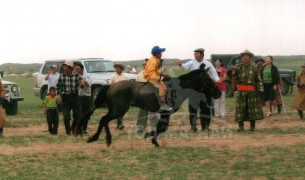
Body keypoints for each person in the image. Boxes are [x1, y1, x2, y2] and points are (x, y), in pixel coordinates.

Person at [177, 48, 220, 133]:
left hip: (205, 90)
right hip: (193, 90)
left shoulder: (208, 63)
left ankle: (206, 127)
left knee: (205, 108)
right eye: (194, 54)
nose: (195, 55)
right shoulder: (192, 62)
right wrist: (181, 65)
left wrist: (217, 79)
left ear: (201, 55)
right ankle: (193, 127)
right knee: (192, 108)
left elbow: (214, 74)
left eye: (196, 54)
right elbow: (185, 67)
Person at [227, 50, 264, 131]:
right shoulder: (237, 66)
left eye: (247, 56)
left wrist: (261, 88)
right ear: (242, 58)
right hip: (241, 92)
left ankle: (252, 127)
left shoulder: (254, 67)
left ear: (250, 58)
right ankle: (241, 127)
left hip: (252, 91)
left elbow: (258, 79)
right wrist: (229, 71)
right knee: (241, 109)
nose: (245, 57)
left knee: (252, 109)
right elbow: (232, 74)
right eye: (244, 56)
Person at [56, 60, 82, 135]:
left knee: (77, 115)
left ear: (70, 67)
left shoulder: (77, 75)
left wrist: (82, 83)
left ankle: (72, 128)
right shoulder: (62, 75)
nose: (64, 67)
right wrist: (59, 95)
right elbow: (58, 86)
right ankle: (68, 133)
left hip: (75, 97)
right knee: (66, 117)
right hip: (65, 97)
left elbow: (81, 85)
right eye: (64, 66)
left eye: (65, 66)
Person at [144, 46, 172, 111]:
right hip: (150, 77)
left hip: (152, 76)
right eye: (160, 53)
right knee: (163, 87)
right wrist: (159, 78)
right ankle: (162, 104)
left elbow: (156, 70)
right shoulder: (153, 61)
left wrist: (162, 74)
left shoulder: (155, 60)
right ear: (157, 54)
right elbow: (151, 73)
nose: (161, 54)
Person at [136, 60, 158, 133]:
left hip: (152, 97)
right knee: (141, 113)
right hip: (142, 97)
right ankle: (140, 128)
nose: (145, 66)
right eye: (144, 64)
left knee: (153, 114)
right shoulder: (139, 75)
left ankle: (154, 128)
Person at [109, 63, 129, 130]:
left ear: (121, 69)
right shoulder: (113, 77)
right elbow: (110, 86)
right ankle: (120, 124)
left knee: (124, 109)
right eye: (116, 68)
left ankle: (119, 123)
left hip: (123, 96)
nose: (116, 69)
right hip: (116, 96)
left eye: (118, 68)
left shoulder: (125, 77)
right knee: (118, 109)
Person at [74, 64, 91, 134]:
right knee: (80, 113)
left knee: (86, 114)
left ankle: (84, 128)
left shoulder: (87, 76)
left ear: (82, 69)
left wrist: (83, 81)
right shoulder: (76, 76)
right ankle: (79, 128)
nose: (76, 70)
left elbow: (88, 84)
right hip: (79, 97)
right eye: (75, 69)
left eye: (77, 69)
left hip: (87, 97)